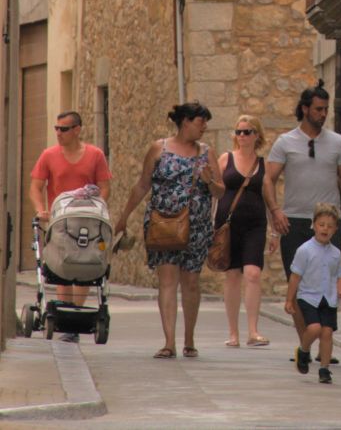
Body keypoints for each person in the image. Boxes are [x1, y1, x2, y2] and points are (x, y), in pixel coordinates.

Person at [114, 102, 225, 359]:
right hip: (162, 223)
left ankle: (189, 339)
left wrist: (210, 181)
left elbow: (220, 191)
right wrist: (124, 217)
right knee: (167, 281)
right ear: (185, 121)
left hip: (196, 226)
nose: (205, 127)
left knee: (191, 282)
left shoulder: (206, 153)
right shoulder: (158, 149)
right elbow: (142, 185)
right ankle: (169, 342)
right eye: (201, 122)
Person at [264, 80, 341, 359]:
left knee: (327, 284)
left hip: (329, 222)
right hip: (293, 221)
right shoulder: (285, 143)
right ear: (305, 109)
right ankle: (305, 343)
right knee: (297, 285)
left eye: (326, 109)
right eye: (318, 109)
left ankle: (323, 347)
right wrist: (275, 211)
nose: (323, 114)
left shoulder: (337, 143)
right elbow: (268, 180)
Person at [29, 111, 112, 343]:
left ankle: (75, 315)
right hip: (60, 219)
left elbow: (104, 187)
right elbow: (36, 186)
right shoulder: (49, 156)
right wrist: (40, 209)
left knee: (84, 263)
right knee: (61, 266)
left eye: (63, 129)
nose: (58, 133)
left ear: (77, 130)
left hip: (85, 219)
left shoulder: (95, 155)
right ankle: (64, 315)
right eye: (56, 128)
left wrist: (98, 208)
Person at [215, 115, 277, 348]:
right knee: (232, 276)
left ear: (257, 136)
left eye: (247, 132)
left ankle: (253, 331)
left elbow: (270, 198)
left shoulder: (263, 165)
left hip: (255, 225)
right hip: (228, 226)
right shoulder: (225, 159)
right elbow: (214, 190)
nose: (242, 136)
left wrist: (275, 232)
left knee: (252, 273)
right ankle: (233, 334)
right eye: (239, 132)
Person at [284, 203, 341, 384]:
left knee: (327, 333)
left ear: (335, 229)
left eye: (329, 226)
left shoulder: (335, 253)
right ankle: (304, 350)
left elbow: (340, 274)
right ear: (314, 225)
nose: (325, 229)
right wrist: (290, 300)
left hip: (328, 298)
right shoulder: (305, 250)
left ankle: (324, 369)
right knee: (314, 328)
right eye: (321, 224)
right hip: (308, 297)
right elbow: (295, 277)